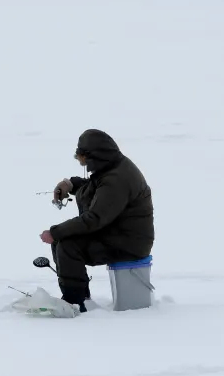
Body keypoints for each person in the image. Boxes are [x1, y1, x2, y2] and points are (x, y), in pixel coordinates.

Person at [39, 128, 154, 312]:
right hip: (117, 234)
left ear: (95, 156)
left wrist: (54, 232)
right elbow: (97, 190)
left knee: (68, 245)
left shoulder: (116, 178)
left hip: (128, 243)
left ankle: (75, 302)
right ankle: (79, 297)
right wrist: (71, 184)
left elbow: (94, 219)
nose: (83, 164)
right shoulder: (112, 167)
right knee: (64, 242)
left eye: (83, 159)